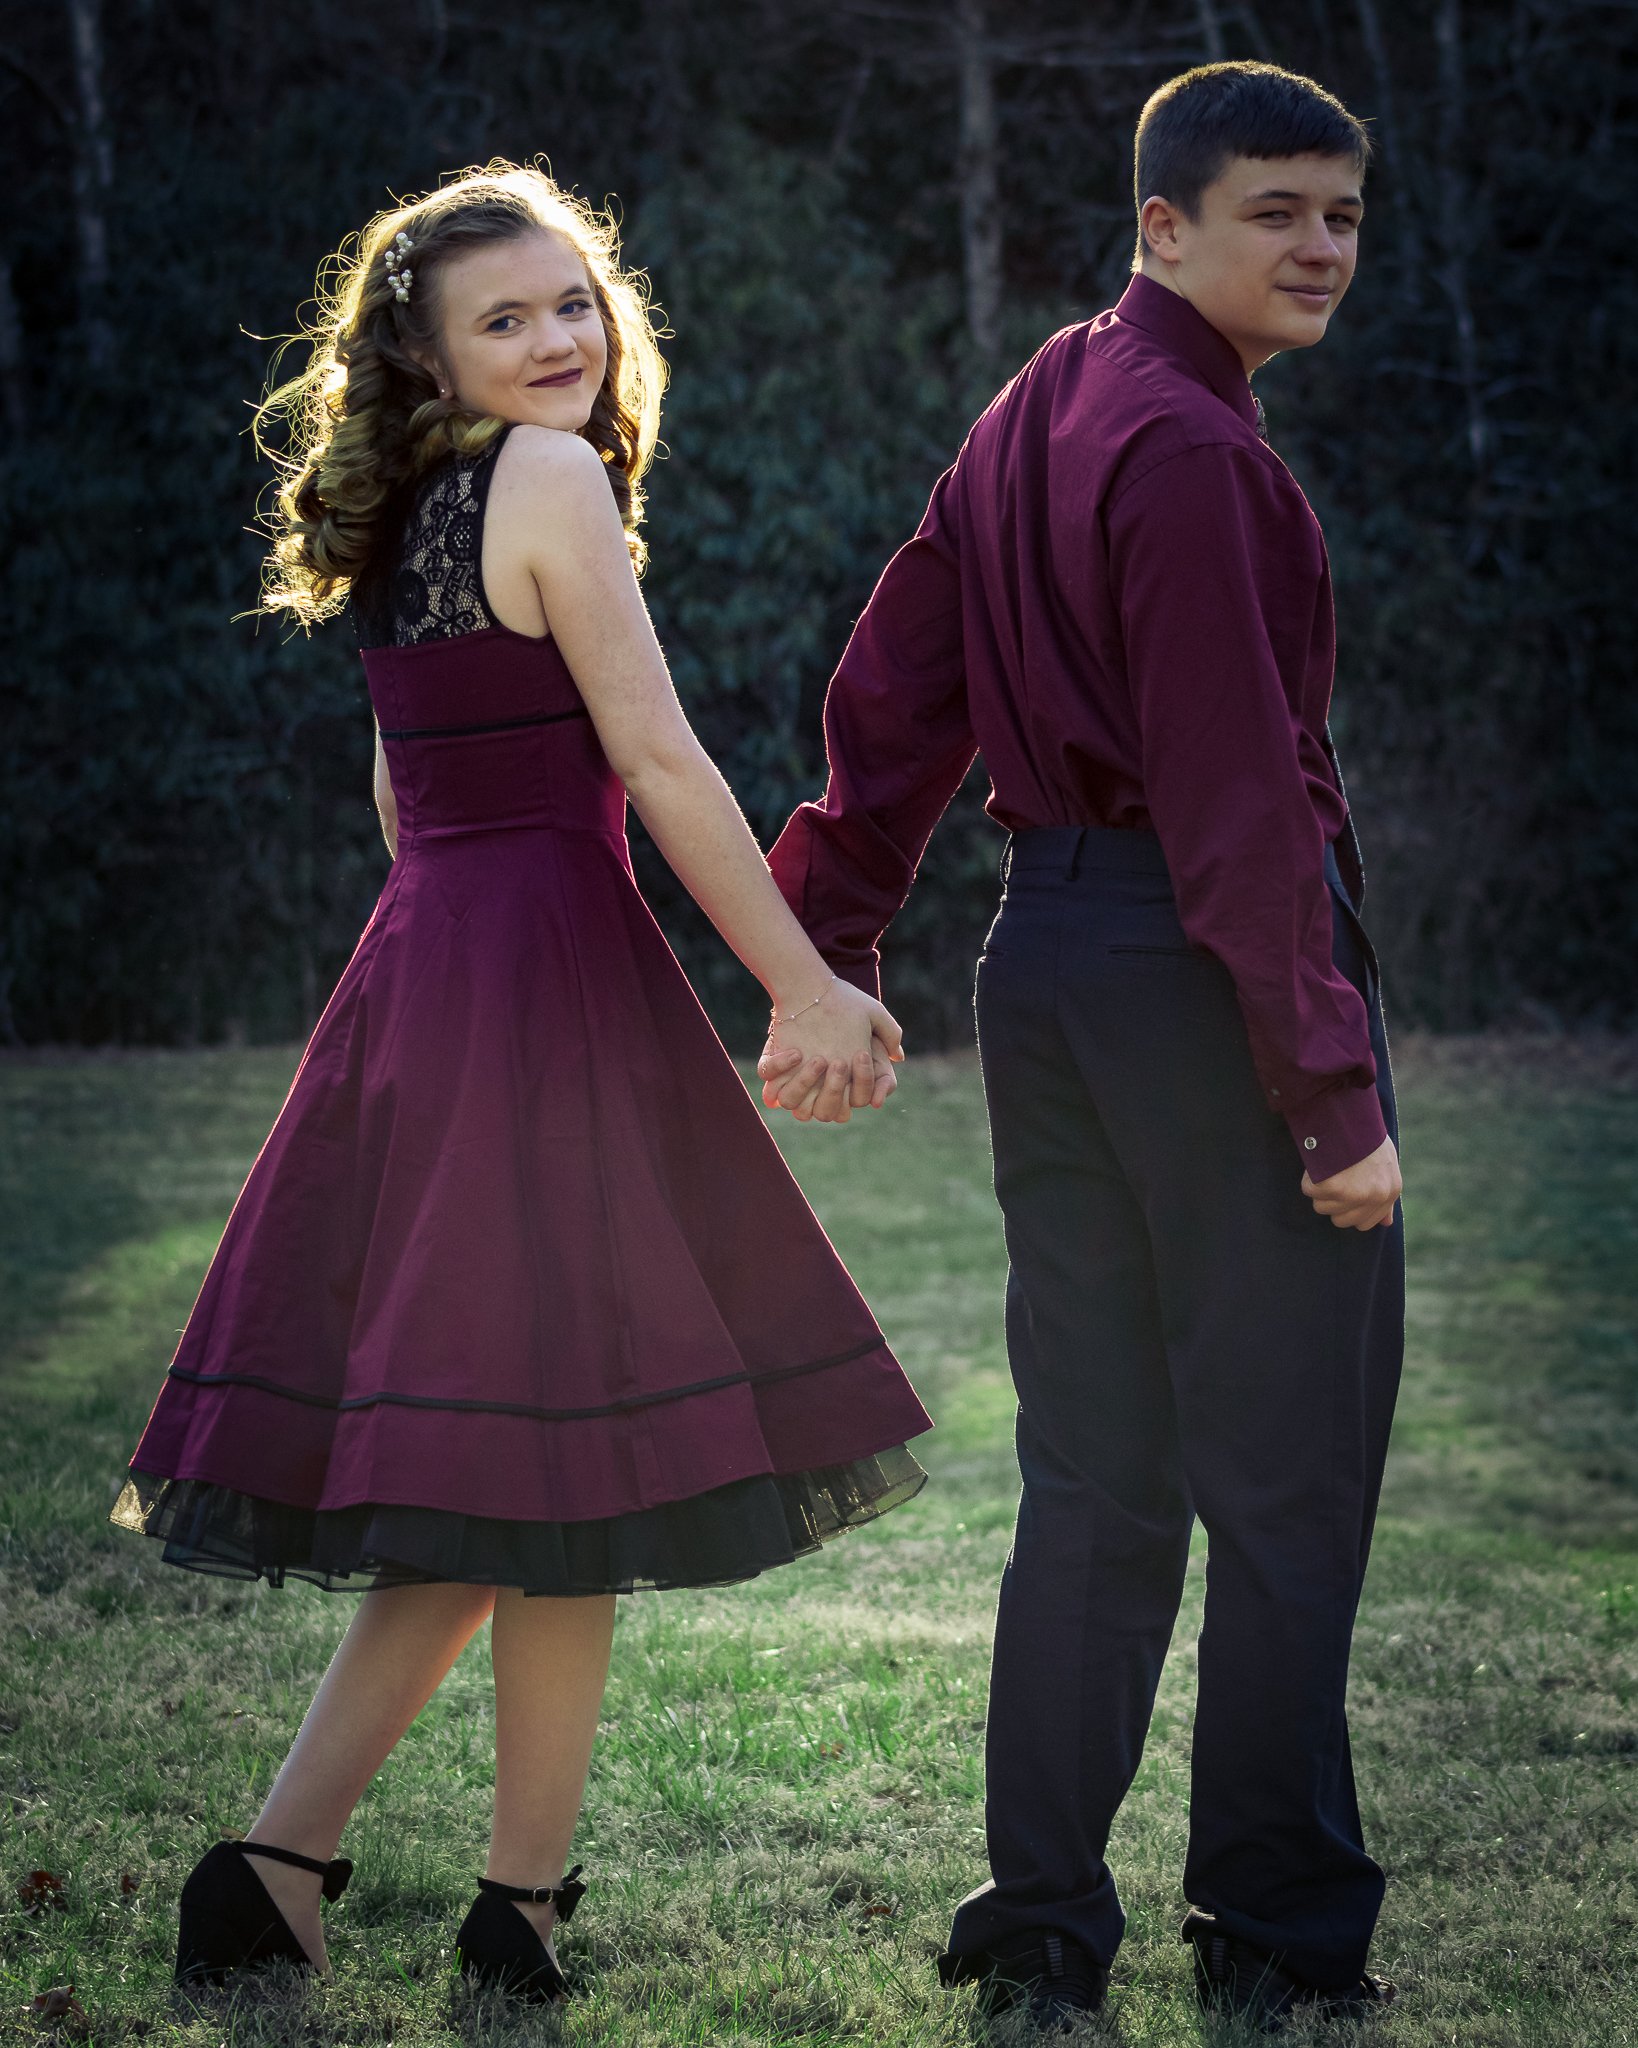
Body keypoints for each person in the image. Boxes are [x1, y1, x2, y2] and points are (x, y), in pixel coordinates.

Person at [110, 160, 930, 2007]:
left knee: (558, 1466)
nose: (557, 339)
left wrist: (476, 922)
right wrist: (799, 982)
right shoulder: (549, 482)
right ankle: (310, 1861)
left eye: (574, 302)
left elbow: (405, 800)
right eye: (507, 320)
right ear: (428, 352)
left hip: (441, 975)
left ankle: (490, 1897)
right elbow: (653, 757)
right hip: (542, 987)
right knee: (535, 1461)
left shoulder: (409, 505)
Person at [759, 61, 1404, 2038]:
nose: (1317, 248)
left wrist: (830, 929)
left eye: (1344, 217)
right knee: (1285, 1479)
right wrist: (1334, 1087)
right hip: (1198, 979)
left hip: (1045, 966)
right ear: (1162, 227)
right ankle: (1278, 1921)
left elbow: (894, 688)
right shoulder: (1191, 451)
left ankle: (1039, 1910)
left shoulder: (1045, 399)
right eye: (1274, 210)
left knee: (1100, 1470)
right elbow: (1232, 804)